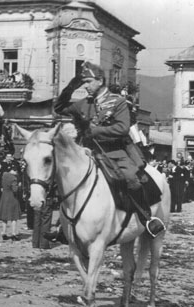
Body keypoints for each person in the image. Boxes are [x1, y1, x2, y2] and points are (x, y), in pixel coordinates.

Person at [53, 61, 164, 238]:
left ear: (99, 80)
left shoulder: (118, 102)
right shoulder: (83, 103)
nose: (86, 86)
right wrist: (71, 86)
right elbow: (58, 108)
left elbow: (122, 128)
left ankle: (147, 219)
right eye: (84, 82)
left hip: (114, 153)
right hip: (87, 152)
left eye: (88, 82)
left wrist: (94, 130)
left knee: (131, 179)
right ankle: (63, 225)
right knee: (67, 180)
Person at [0, 165, 21, 241]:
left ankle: (4, 233)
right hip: (12, 197)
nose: (16, 173)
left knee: (4, 216)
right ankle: (13, 233)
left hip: (4, 196)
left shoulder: (4, 175)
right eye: (16, 171)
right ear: (14, 170)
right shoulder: (13, 178)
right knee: (14, 216)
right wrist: (19, 186)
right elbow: (15, 190)